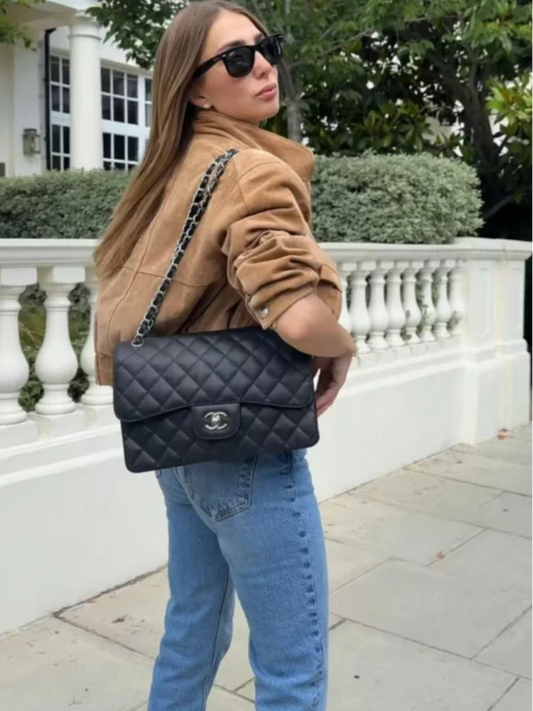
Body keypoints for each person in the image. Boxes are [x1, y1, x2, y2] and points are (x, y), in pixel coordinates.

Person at [94, 2, 355, 709]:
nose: (262, 65)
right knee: (291, 667)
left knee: (192, 630)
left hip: (181, 443)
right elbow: (296, 312)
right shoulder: (249, 171)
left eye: (264, 47)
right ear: (196, 90)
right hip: (245, 446)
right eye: (236, 59)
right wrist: (343, 346)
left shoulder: (172, 170)